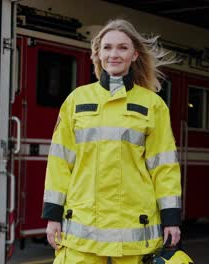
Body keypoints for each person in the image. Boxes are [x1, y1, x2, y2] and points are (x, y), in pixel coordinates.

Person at [42, 19, 182, 264]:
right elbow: (59, 162)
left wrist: (171, 219)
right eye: (107, 48)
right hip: (82, 228)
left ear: (135, 54)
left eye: (122, 48)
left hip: (132, 228)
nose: (113, 54)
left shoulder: (153, 105)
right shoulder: (77, 100)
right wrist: (53, 215)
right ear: (97, 53)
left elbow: (164, 167)